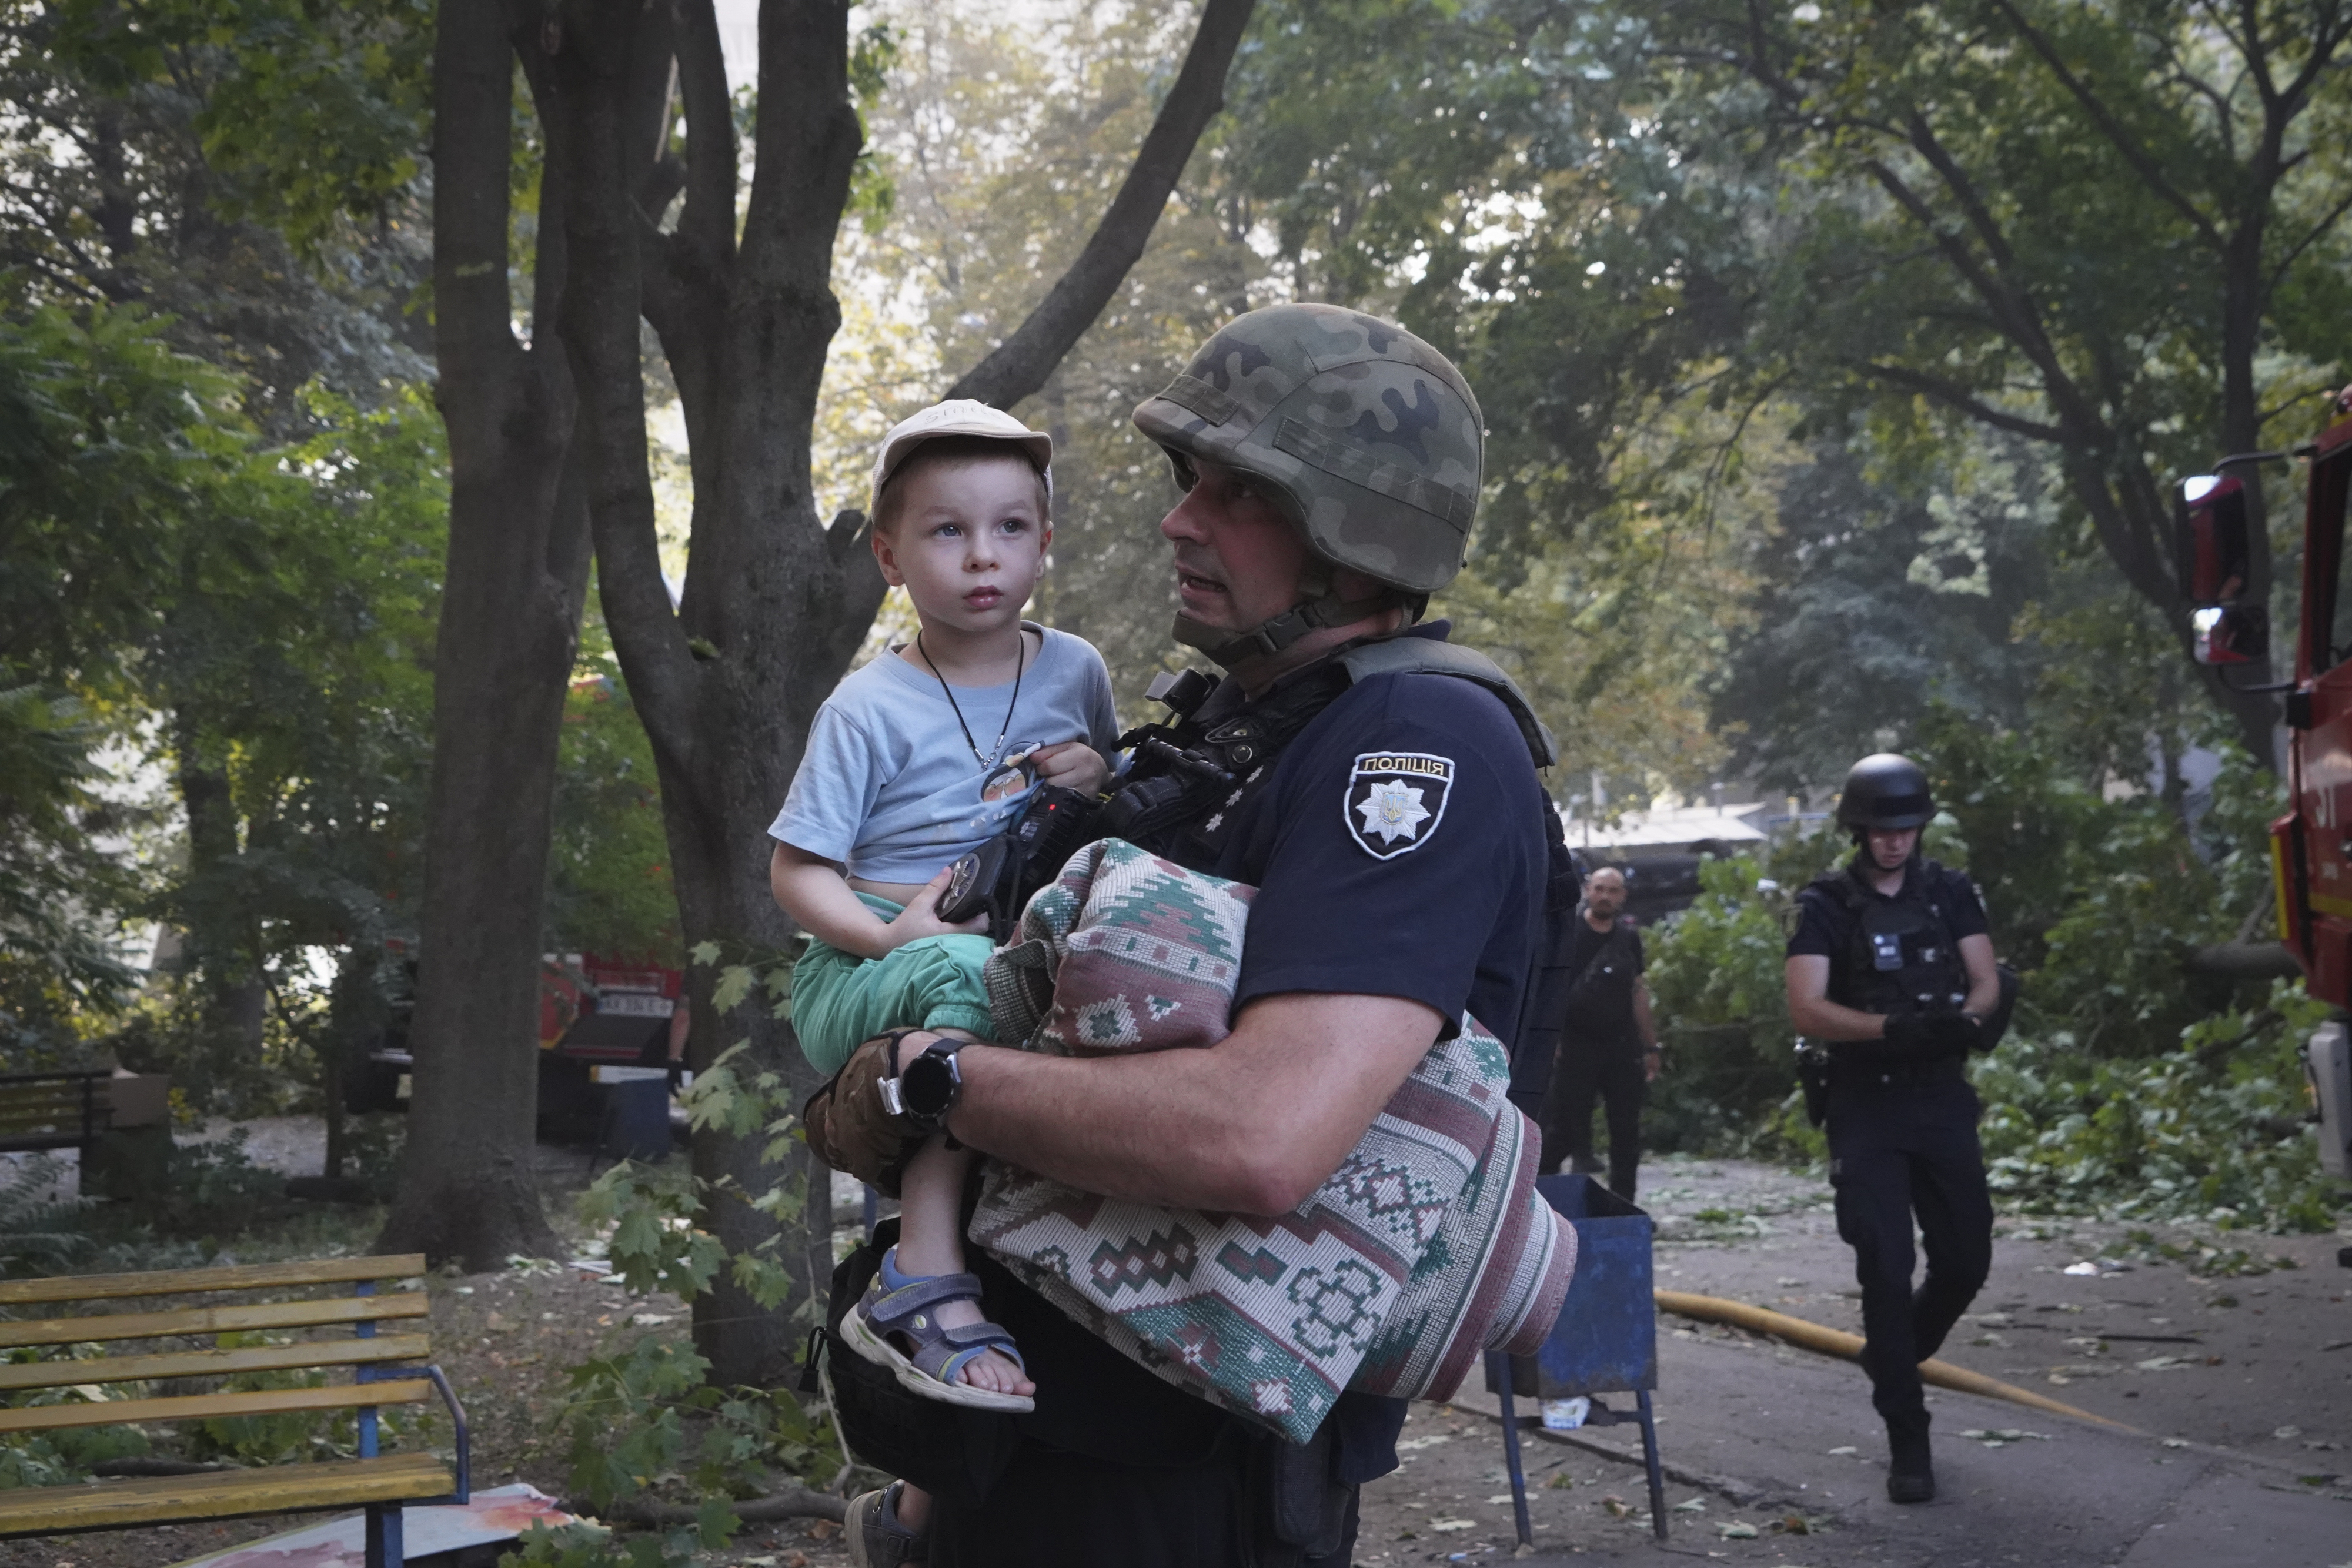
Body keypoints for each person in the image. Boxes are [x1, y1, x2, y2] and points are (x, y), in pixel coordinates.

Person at [807, 304, 1558, 1568]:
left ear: (1355, 533)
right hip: (1025, 1437)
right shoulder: (1224, 738)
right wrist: (893, 1089)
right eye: (1186, 479)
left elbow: (1259, 1138)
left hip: (1171, 1480)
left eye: (1238, 493)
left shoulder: (1415, 747)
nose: (1178, 517)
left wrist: (929, 1075)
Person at [765, 402, 1121, 1535]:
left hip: (1011, 954)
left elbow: (1107, 808)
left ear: (1045, 542)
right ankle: (921, 1266)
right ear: (888, 553)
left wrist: (1096, 769)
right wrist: (891, 937)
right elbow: (796, 874)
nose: (983, 557)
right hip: (866, 961)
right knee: (968, 977)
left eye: (1011, 528)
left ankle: (928, 1493)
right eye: (947, 533)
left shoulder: (1076, 669)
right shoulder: (869, 705)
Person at [1783, 753, 2000, 1505]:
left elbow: (1985, 977)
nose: (1893, 842)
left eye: (1905, 829)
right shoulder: (1825, 905)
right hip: (1864, 1103)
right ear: (1858, 830)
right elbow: (1806, 1007)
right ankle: (1908, 1438)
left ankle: (1895, 1355)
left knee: (1967, 1258)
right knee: (1883, 1263)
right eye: (1880, 830)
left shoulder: (1948, 893)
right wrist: (1887, 1029)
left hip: (1939, 1097)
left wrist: (1967, 1022)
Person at [1538, 864, 1659, 1199]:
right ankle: (1542, 1208)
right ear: (1588, 890)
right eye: (1600, 888)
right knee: (1561, 1130)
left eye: (1613, 890)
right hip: (1575, 1047)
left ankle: (1624, 1209)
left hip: (1622, 1048)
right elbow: (1548, 988)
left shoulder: (1629, 938)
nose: (1605, 896)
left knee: (1626, 1133)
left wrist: (1651, 1048)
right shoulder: (1567, 933)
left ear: (1623, 896)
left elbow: (1638, 992)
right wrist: (1551, 1039)